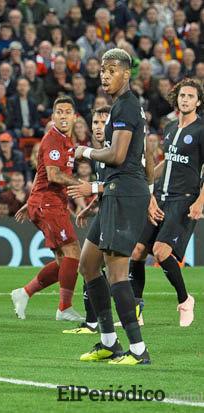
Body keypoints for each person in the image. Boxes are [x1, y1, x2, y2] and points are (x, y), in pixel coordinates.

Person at [72, 49, 153, 365]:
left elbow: (117, 156)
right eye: (102, 71)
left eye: (111, 70)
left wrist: (86, 151)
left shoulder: (126, 106)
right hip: (114, 195)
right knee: (88, 265)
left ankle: (138, 350)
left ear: (127, 73)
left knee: (118, 274)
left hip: (125, 195)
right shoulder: (124, 106)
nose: (104, 75)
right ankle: (108, 342)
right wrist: (96, 199)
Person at [127, 79, 203, 328]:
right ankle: (136, 312)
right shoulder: (170, 128)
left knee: (160, 251)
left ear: (198, 102)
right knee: (137, 251)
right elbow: (167, 162)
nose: (185, 100)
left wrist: (200, 201)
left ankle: (185, 300)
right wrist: (148, 184)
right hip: (160, 197)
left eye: (190, 96)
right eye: (182, 95)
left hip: (183, 200)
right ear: (176, 98)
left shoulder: (201, 130)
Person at [11, 96, 84, 322]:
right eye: (59, 112)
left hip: (47, 201)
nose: (63, 116)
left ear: (74, 117)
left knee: (66, 261)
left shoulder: (66, 141)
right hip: (49, 204)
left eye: (67, 112)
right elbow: (53, 175)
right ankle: (64, 309)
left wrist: (31, 199)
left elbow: (41, 173)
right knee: (73, 252)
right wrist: (82, 185)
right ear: (53, 117)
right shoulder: (53, 139)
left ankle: (24, 293)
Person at [63, 105, 112, 335]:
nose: (98, 127)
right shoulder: (98, 154)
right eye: (95, 123)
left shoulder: (116, 153)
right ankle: (93, 324)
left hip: (119, 216)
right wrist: (89, 207)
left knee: (109, 272)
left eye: (103, 123)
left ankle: (120, 324)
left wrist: (90, 188)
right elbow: (106, 189)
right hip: (104, 214)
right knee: (88, 266)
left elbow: (122, 184)